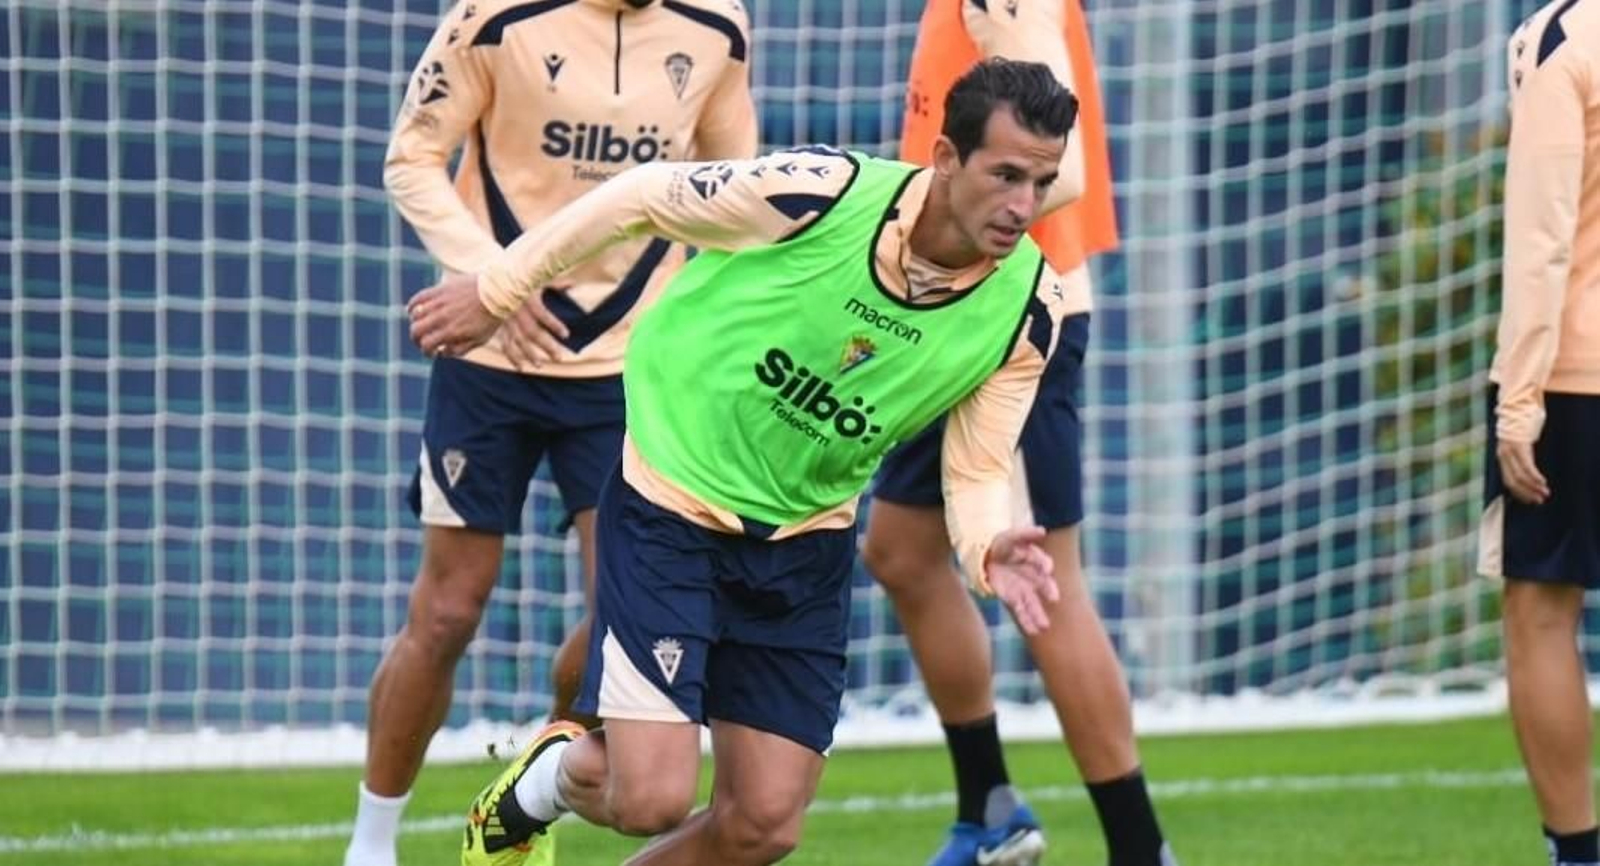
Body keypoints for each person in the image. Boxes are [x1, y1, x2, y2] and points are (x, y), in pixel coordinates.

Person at [409, 58, 1079, 866]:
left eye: (1039, 182)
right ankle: (527, 797)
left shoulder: (1027, 313)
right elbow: (642, 195)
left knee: (763, 825)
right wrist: (499, 288)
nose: (1021, 205)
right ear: (944, 157)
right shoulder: (822, 191)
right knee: (650, 797)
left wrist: (986, 548)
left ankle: (595, 694)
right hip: (671, 496)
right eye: (1005, 174)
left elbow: (974, 470)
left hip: (804, 541)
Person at [344, 1, 755, 864]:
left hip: (633, 365)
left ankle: (532, 782)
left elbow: (735, 192)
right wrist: (489, 278)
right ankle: (371, 841)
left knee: (625, 619)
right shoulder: (494, 17)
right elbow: (413, 157)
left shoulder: (717, 28)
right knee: (450, 608)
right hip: (488, 352)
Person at [863, 2, 1176, 865]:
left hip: (1016, 323)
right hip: (953, 314)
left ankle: (1139, 849)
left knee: (1047, 588)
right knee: (900, 548)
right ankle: (991, 807)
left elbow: (1057, 170)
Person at [1483, 3, 1600, 865]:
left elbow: (1541, 238)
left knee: (1540, 613)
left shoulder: (1563, 40)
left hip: (1578, 372)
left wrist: (1517, 401)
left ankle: (1577, 854)